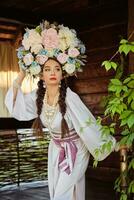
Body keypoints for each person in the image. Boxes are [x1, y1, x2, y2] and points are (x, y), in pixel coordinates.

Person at [5, 20, 116, 200]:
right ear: (41, 74)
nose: (52, 72)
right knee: (61, 193)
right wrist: (22, 74)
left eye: (57, 68)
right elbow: (15, 107)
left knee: (61, 196)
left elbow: (87, 123)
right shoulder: (37, 97)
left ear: (63, 73)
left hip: (76, 150)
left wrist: (112, 144)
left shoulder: (70, 97)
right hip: (56, 149)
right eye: (47, 69)